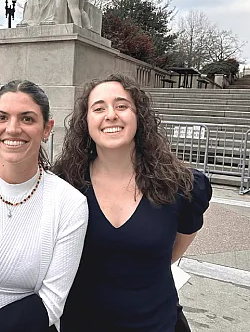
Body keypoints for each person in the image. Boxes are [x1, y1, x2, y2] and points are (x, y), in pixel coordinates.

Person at [53, 74, 212, 332]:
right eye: (99, 108)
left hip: (155, 324)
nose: (111, 115)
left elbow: (170, 255)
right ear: (86, 122)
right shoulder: (64, 182)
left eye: (122, 105)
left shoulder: (181, 185)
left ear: (139, 117)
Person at [0, 80, 88, 332]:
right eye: (2, 117)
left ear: (47, 129)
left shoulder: (70, 203)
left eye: (27, 119)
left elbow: (52, 301)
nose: (12, 129)